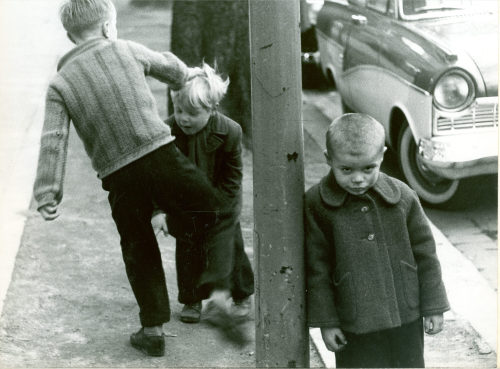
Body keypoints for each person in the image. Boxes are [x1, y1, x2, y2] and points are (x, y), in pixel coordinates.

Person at [33, 0, 234, 357]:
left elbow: (54, 140)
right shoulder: (124, 48)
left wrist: (48, 192)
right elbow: (170, 69)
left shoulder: (60, 85)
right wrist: (189, 74)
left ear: (70, 36)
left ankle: (153, 329)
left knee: (138, 245)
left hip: (117, 176)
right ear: (109, 26)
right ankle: (218, 293)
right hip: (160, 155)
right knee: (212, 209)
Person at [304, 113, 450, 368]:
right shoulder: (317, 204)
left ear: (382, 156)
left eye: (368, 168)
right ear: (329, 159)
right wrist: (328, 323)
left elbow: (426, 255)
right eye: (346, 169)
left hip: (406, 314)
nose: (358, 179)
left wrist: (434, 306)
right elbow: (317, 268)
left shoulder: (403, 197)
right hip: (354, 322)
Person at [151, 62, 254, 325]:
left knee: (231, 247)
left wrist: (222, 211)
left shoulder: (230, 132)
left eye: (192, 113)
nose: (184, 118)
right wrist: (159, 210)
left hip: (221, 201)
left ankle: (241, 294)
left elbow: (232, 178)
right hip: (184, 205)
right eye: (179, 110)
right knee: (188, 249)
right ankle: (191, 298)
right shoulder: (167, 131)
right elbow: (157, 177)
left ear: (212, 109)